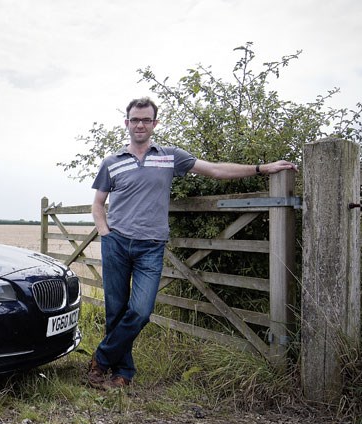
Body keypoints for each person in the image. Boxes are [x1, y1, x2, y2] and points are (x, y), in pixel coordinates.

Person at [87, 97, 297, 389]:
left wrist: (261, 168)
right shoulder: (111, 162)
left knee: (140, 312)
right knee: (116, 310)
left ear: (154, 124)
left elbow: (215, 170)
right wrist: (105, 233)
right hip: (116, 244)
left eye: (146, 120)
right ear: (126, 123)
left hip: (151, 246)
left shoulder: (170, 156)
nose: (140, 125)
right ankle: (123, 374)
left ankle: (101, 358)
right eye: (135, 119)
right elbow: (98, 204)